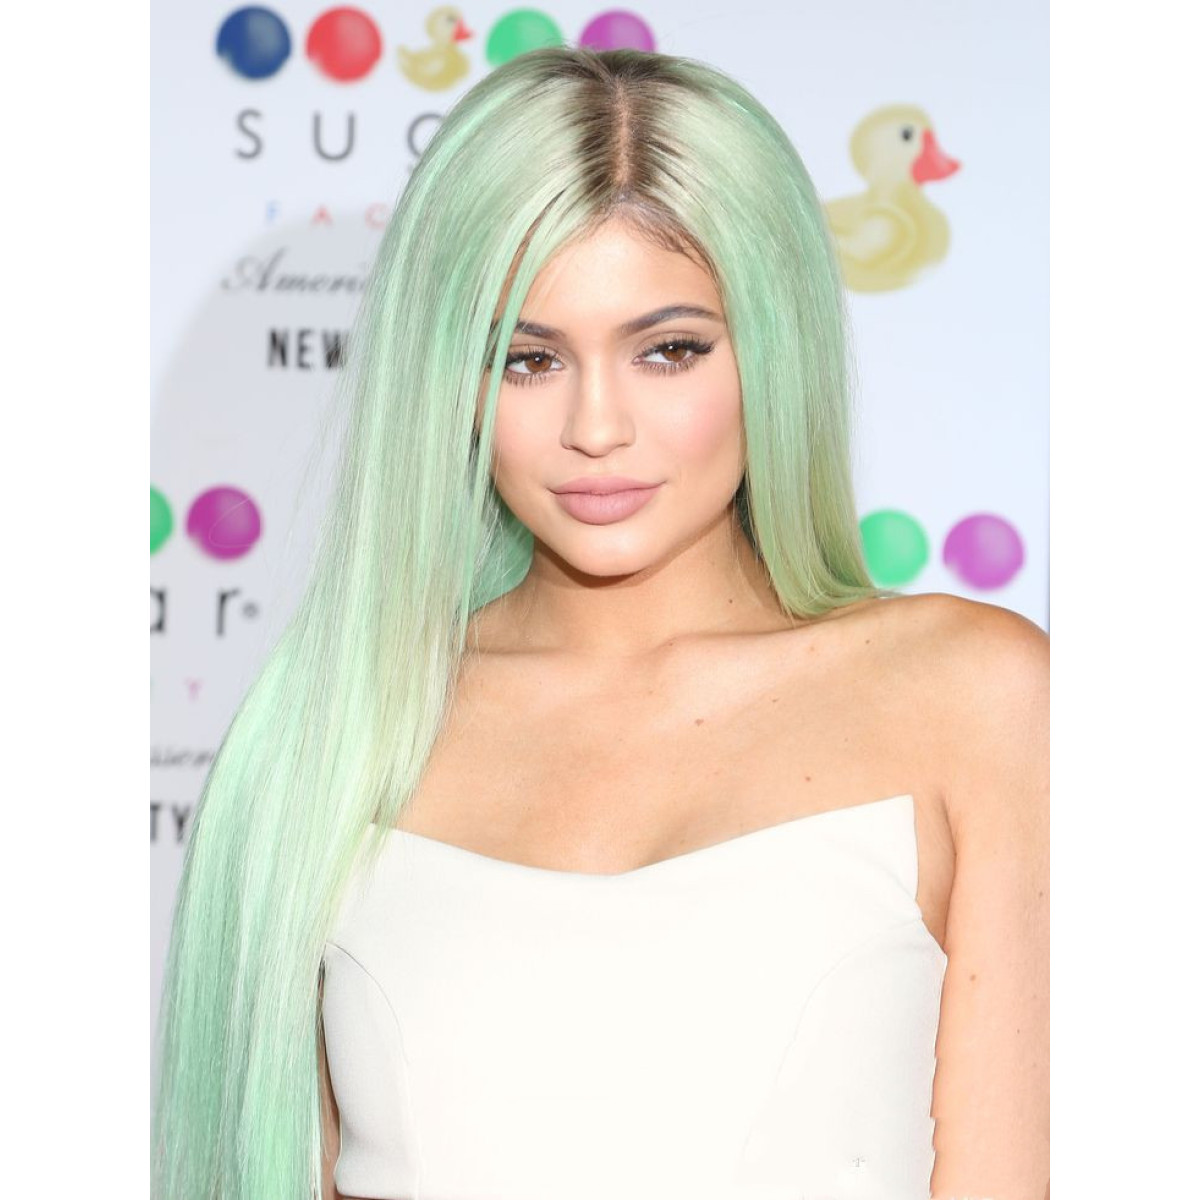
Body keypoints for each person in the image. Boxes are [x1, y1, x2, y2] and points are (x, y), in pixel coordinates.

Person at [151, 45, 1049, 1200]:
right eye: (526, 359)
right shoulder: (329, 732)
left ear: (773, 346)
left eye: (669, 349)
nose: (596, 426)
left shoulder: (974, 699)